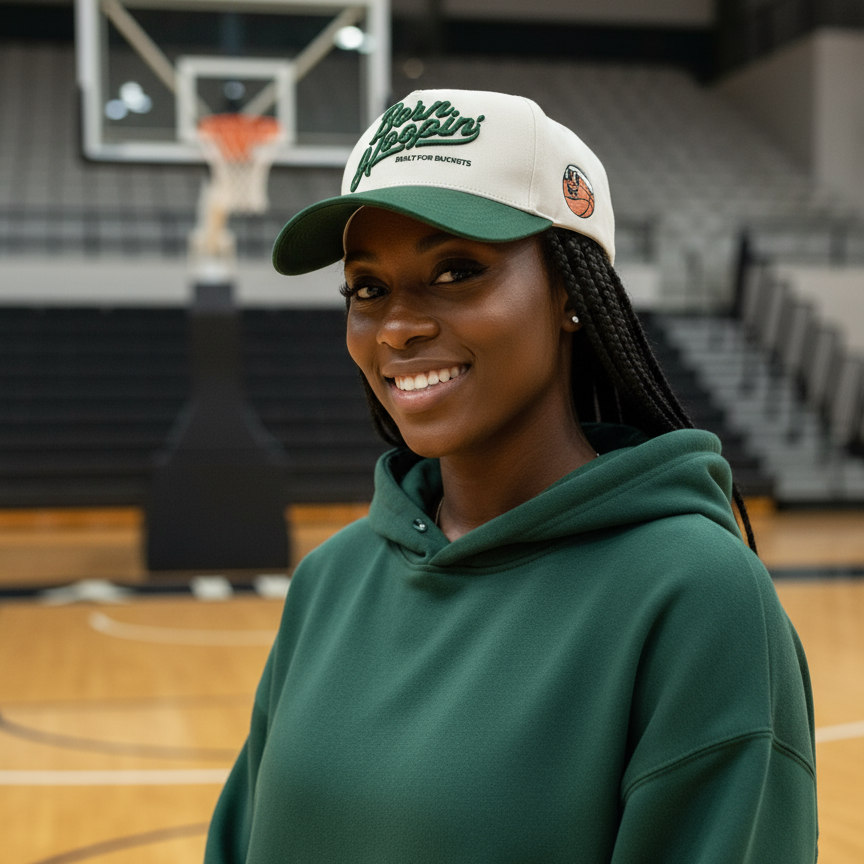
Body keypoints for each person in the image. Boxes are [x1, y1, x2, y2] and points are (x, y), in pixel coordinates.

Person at [204, 89, 817, 864]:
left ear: (569, 291)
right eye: (367, 287)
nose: (398, 324)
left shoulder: (696, 597)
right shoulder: (331, 578)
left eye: (456, 269)